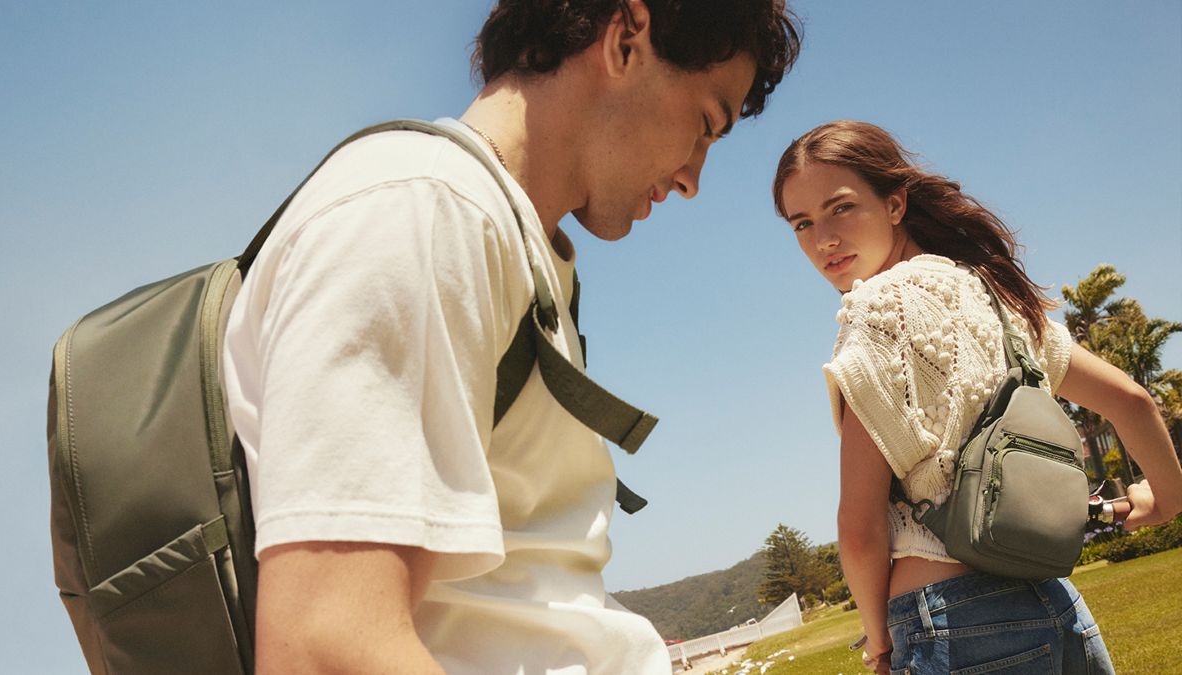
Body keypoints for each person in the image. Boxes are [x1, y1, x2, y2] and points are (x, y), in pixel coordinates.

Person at [220, 2, 802, 673]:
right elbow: (324, 644)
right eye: (705, 124)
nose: (691, 178)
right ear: (627, 39)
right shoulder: (423, 209)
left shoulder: (501, 237)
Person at [772, 120, 1182, 674]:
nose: (823, 238)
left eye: (840, 207)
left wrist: (879, 644)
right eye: (802, 222)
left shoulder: (875, 312)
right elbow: (1132, 399)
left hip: (953, 624)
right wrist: (1168, 499)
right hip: (1059, 608)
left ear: (896, 204)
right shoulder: (997, 297)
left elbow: (860, 526)